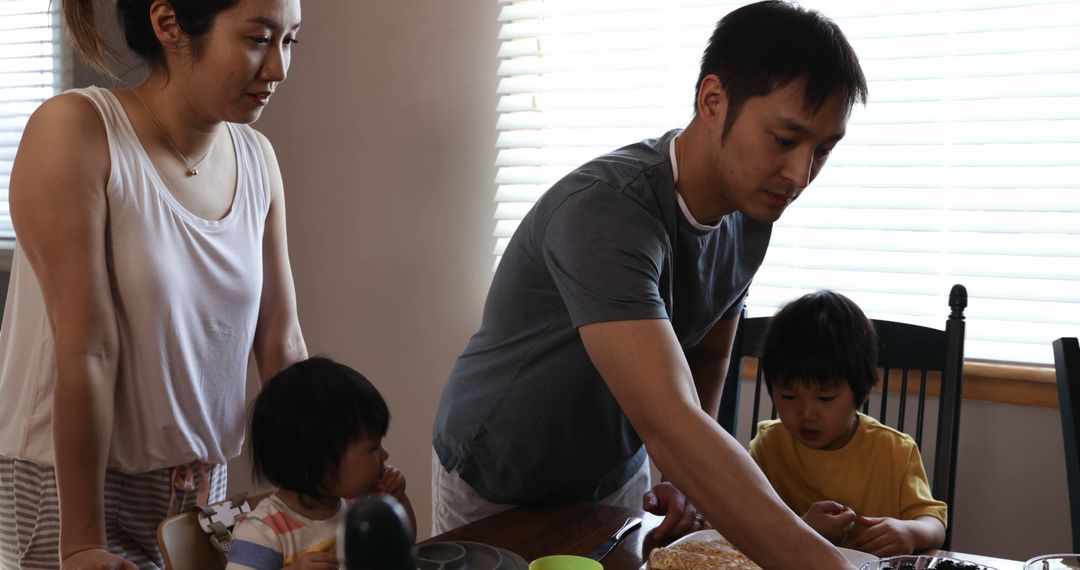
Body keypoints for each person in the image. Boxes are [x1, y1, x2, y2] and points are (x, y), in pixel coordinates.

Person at [432, 1, 868, 567]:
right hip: (501, 467)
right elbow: (670, 421)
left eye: (823, 151)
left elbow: (707, 351)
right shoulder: (606, 211)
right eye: (785, 140)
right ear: (713, 101)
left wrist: (683, 477)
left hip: (613, 464)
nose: (800, 175)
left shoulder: (752, 213)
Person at [0, 0, 307, 568]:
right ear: (168, 24)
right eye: (259, 38)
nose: (279, 69)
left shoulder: (258, 159)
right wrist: (83, 541)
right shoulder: (76, 130)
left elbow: (280, 342)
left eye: (289, 41)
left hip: (200, 488)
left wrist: (328, 478)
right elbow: (87, 347)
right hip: (77, 485)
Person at [748, 291, 947, 556]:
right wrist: (801, 529)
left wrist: (909, 532)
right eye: (789, 396)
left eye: (825, 397)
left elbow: (934, 524)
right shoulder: (768, 446)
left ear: (863, 391)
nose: (807, 413)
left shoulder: (894, 450)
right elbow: (746, 521)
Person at [225, 357, 416, 570]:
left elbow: (401, 552)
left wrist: (398, 502)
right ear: (313, 461)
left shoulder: (357, 508)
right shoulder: (264, 531)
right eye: (373, 448)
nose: (385, 455)